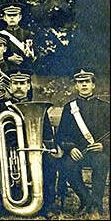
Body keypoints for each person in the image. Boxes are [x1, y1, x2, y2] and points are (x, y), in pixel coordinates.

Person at [0, 69, 60, 216]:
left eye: (22, 83)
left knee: (49, 162)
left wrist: (47, 146)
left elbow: (46, 132)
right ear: (9, 86)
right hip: (8, 148)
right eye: (15, 83)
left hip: (33, 148)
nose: (19, 87)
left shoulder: (36, 106)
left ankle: (47, 205)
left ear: (29, 86)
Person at [57, 68, 110, 217]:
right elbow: (61, 135)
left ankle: (96, 205)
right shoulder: (70, 107)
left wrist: (104, 145)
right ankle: (86, 200)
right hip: (77, 153)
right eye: (80, 82)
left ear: (93, 85)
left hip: (98, 152)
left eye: (87, 81)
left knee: (102, 161)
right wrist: (71, 148)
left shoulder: (105, 106)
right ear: (76, 86)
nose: (84, 85)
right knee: (66, 165)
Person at [0, 3, 36, 69]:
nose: (12, 17)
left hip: (23, 71)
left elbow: (35, 55)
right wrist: (8, 58)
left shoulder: (27, 34)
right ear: (4, 18)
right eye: (9, 15)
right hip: (6, 70)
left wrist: (30, 57)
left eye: (15, 15)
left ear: (20, 17)